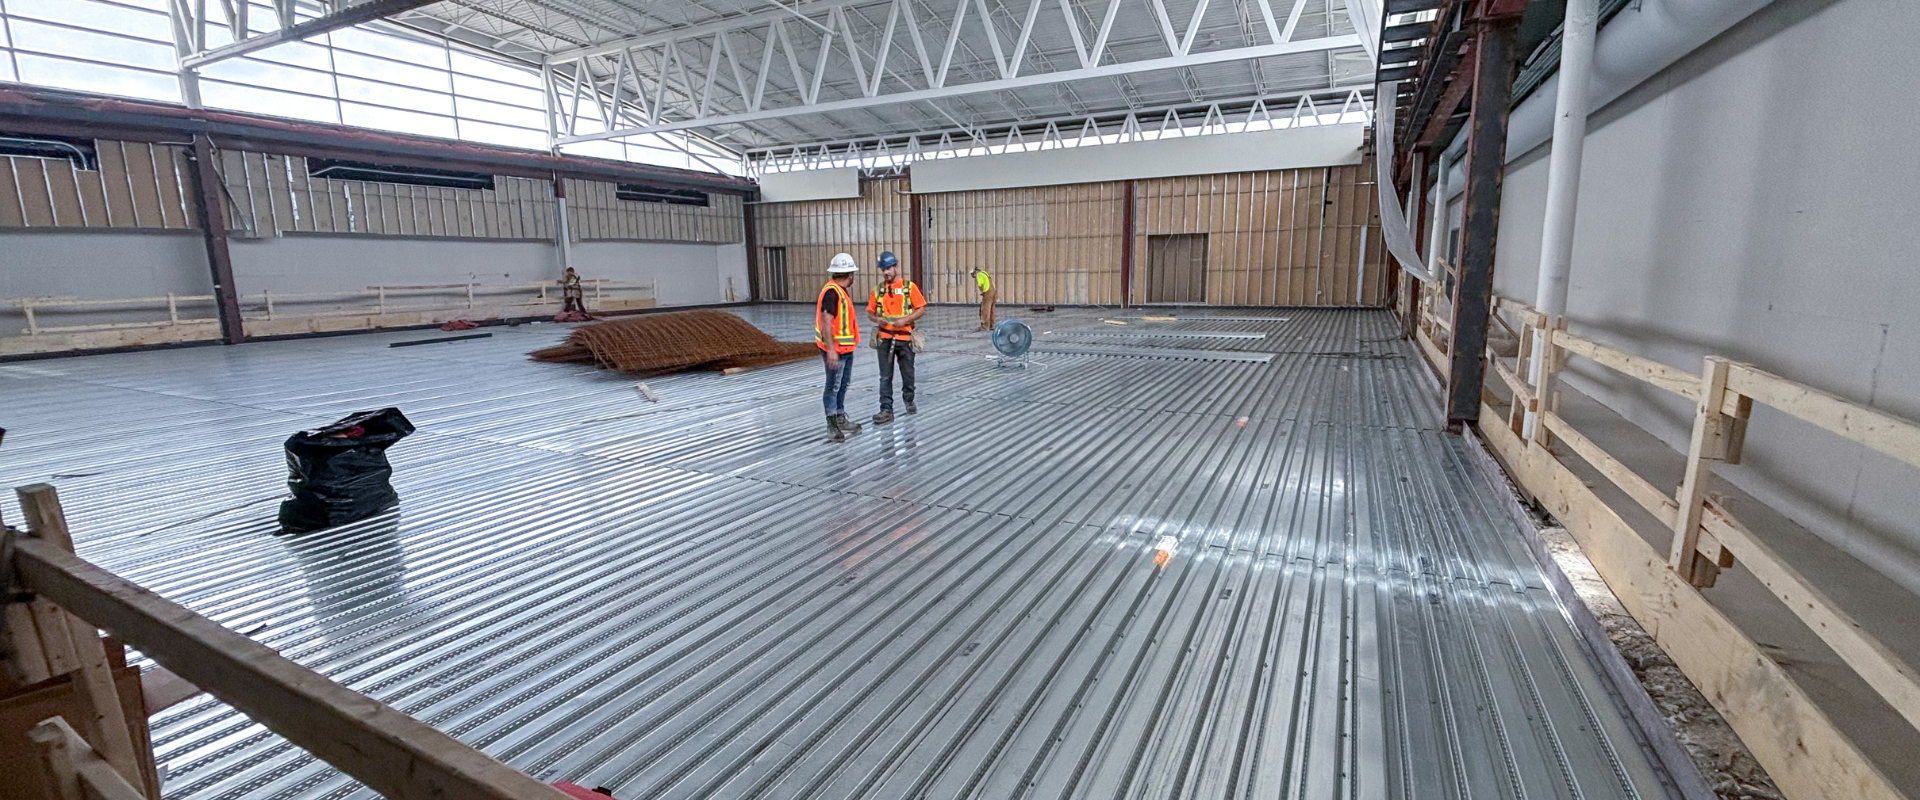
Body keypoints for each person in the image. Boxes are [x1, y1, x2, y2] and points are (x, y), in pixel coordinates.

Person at [865, 251, 925, 424]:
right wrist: (877, 319)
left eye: (889, 268)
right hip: (885, 339)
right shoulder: (878, 291)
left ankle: (909, 399)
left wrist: (905, 320)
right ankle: (886, 409)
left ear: (896, 267)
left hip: (905, 339)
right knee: (885, 376)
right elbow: (870, 312)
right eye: (883, 269)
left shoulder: (909, 287)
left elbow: (920, 308)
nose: (886, 272)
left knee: (908, 374)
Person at [816, 253, 863, 442]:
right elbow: (826, 320)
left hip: (845, 349)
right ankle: (832, 425)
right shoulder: (832, 292)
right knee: (833, 386)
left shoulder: (839, 291)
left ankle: (840, 417)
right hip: (836, 350)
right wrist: (832, 350)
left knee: (843, 384)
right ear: (850, 274)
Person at [972, 267, 997, 331]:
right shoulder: (984, 273)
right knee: (992, 309)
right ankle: (991, 325)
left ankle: (985, 326)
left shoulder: (979, 274)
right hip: (993, 292)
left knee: (985, 309)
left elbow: (981, 284)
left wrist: (982, 291)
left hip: (988, 293)